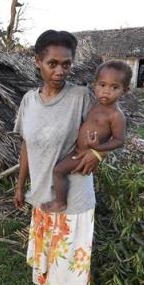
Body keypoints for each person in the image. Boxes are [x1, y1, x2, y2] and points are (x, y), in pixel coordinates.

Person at [13, 30, 102, 285]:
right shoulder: (29, 101)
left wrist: (97, 154)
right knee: (50, 251)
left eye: (66, 64)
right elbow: (26, 145)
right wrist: (20, 185)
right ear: (37, 62)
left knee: (68, 257)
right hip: (41, 194)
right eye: (52, 63)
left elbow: (104, 127)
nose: (60, 71)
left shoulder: (80, 97)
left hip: (73, 196)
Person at [42, 60, 130, 213]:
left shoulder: (116, 116)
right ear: (94, 85)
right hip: (75, 149)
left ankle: (60, 202)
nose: (106, 91)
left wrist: (98, 149)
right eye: (102, 85)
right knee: (52, 165)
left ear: (125, 90)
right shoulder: (93, 104)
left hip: (83, 155)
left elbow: (119, 140)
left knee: (58, 171)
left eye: (114, 87)